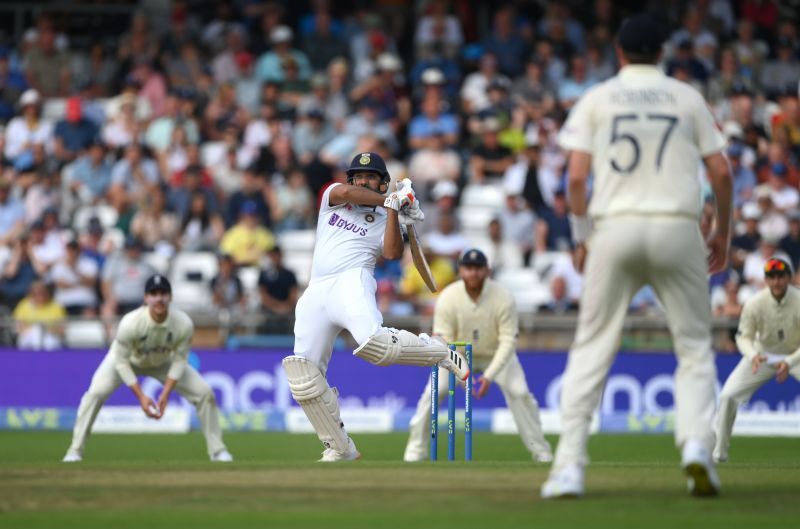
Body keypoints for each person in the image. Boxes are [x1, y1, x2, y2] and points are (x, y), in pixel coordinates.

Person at [540, 14, 733, 499]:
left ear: (620, 53)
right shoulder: (687, 97)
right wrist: (723, 233)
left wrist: (582, 237)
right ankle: (695, 449)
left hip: (615, 228)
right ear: (661, 53)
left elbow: (577, 178)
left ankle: (568, 467)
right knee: (693, 348)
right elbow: (722, 174)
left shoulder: (598, 98)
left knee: (592, 347)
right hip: (678, 227)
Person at [282, 151, 469, 462]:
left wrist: (395, 212)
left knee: (374, 344)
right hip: (317, 288)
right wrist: (391, 200)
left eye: (371, 177)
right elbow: (344, 191)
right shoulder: (334, 196)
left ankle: (438, 351)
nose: (364, 181)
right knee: (302, 374)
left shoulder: (386, 216)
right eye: (358, 176)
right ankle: (341, 448)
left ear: (383, 183)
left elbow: (393, 254)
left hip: (353, 279)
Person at [403, 248, 553, 463]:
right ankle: (415, 451)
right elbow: (442, 341)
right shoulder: (448, 297)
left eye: (478, 268)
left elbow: (509, 341)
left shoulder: (504, 297)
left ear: (487, 271)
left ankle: (541, 451)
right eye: (469, 268)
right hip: (455, 357)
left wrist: (489, 376)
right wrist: (464, 375)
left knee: (520, 393)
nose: (473, 273)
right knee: (434, 393)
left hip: (495, 357)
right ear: (461, 271)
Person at [63, 274, 232, 463]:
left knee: (205, 393)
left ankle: (217, 451)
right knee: (94, 394)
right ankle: (75, 451)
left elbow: (179, 360)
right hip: (126, 361)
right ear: (146, 298)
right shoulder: (131, 322)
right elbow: (120, 362)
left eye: (163, 293)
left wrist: (165, 394)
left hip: (162, 362)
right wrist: (142, 397)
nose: (159, 298)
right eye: (153, 293)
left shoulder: (183, 323)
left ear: (171, 297)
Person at [713, 257, 800, 463]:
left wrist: (789, 362)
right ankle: (719, 453)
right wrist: (753, 355)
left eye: (780, 277)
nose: (776, 282)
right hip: (762, 356)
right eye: (771, 277)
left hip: (795, 355)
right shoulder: (754, 303)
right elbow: (743, 337)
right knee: (727, 396)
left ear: (789, 278)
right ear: (766, 280)